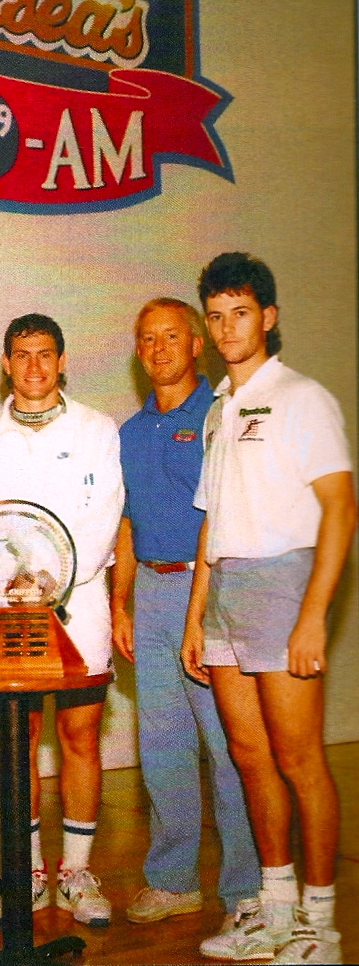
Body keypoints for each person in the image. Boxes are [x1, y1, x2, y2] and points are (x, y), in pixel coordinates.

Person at [182, 253, 356, 965]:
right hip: (224, 593)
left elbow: (340, 509)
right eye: (217, 316)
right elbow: (209, 522)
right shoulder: (218, 409)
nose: (228, 327)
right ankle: (276, 909)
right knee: (249, 758)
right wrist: (196, 617)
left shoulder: (303, 397)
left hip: (283, 587)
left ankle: (322, 923)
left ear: (269, 318)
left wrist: (314, 614)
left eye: (241, 313)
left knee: (298, 759)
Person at [0, 313, 124, 928]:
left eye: (44, 355)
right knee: (19, 743)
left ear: (61, 360)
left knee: (80, 737)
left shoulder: (97, 430)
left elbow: (102, 516)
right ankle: (26, 875)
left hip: (80, 606)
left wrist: (51, 579)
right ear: (6, 363)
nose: (33, 367)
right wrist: (16, 584)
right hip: (7, 611)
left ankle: (77, 873)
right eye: (21, 355)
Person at [111, 298, 260, 926]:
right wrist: (119, 602)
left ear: (195, 344)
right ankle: (173, 881)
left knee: (229, 746)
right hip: (150, 593)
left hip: (216, 595)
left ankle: (247, 889)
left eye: (171, 336)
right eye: (148, 339)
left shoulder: (219, 416)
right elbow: (124, 522)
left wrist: (198, 615)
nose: (159, 348)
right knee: (163, 744)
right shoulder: (129, 430)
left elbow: (218, 519)